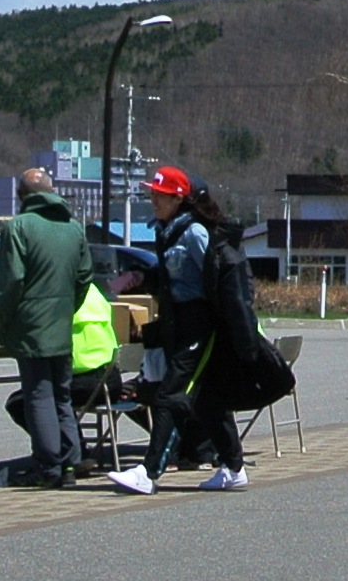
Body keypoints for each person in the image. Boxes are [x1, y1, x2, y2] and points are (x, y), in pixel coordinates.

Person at [108, 168, 252, 493]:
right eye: (152, 194)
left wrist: (230, 324)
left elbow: (222, 276)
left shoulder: (194, 233)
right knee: (208, 400)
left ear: (177, 199)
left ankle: (148, 473)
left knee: (170, 395)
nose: (153, 200)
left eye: (160, 195)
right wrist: (141, 278)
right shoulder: (167, 231)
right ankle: (234, 467)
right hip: (178, 325)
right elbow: (172, 277)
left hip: (201, 325)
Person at [0, 166, 98, 486]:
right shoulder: (74, 228)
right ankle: (70, 464)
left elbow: (12, 282)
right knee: (61, 397)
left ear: (21, 195)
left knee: (38, 395)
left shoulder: (18, 227)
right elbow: (85, 277)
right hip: (61, 323)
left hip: (31, 326)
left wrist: (2, 321)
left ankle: (48, 467)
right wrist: (66, 308)